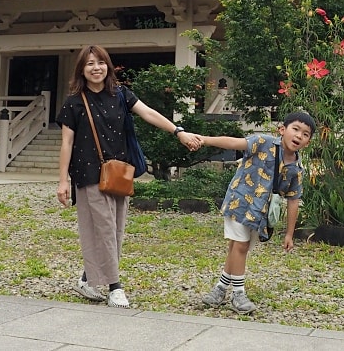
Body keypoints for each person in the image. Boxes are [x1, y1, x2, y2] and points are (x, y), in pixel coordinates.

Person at [56, 45, 203, 308]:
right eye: (89, 64)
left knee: (114, 230)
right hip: (88, 173)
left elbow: (148, 113)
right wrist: (62, 181)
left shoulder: (121, 94)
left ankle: (87, 278)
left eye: (100, 62)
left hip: (118, 172)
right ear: (81, 69)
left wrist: (178, 131)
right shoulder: (74, 102)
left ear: (108, 66)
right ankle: (115, 287)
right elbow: (66, 143)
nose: (96, 68)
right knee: (103, 228)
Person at [197, 110, 315, 313]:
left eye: (305, 134)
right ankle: (238, 295)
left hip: (260, 214)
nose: (298, 136)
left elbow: (293, 200)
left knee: (237, 247)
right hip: (240, 202)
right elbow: (235, 143)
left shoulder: (297, 168)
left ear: (309, 142)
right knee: (240, 247)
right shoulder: (263, 141)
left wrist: (289, 233)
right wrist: (204, 140)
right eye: (295, 129)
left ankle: (220, 288)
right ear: (282, 130)